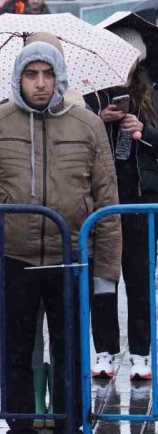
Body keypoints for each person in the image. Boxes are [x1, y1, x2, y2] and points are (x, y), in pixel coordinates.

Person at [0, 38, 119, 434]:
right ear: (18, 79)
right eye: (31, 74)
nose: (40, 83)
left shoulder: (87, 124)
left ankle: (72, 433)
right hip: (12, 256)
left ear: (60, 78)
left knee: (71, 349)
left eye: (48, 74)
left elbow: (106, 197)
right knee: (14, 349)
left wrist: (106, 270)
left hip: (70, 257)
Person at [84, 28, 157, 381]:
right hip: (100, 204)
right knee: (102, 281)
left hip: (140, 202)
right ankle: (105, 351)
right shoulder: (90, 96)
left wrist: (143, 129)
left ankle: (142, 354)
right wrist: (100, 121)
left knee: (140, 281)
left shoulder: (151, 95)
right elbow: (75, 141)